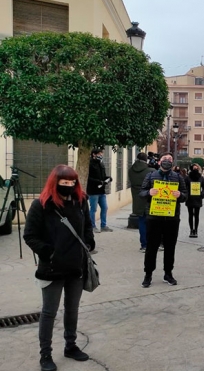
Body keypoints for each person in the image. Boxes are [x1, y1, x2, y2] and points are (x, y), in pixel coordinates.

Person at [24, 165, 95, 371]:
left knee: (72, 310)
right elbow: (30, 236)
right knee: (49, 313)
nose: (69, 186)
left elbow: (88, 226)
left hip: (76, 268)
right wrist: (50, 253)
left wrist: (89, 243)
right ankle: (45, 354)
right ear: (55, 183)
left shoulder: (81, 201)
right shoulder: (41, 205)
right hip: (52, 269)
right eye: (64, 183)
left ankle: (70, 346)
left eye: (72, 183)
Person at [139, 152, 187, 287]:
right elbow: (141, 193)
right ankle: (148, 274)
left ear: (173, 162)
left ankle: (168, 273)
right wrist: (149, 192)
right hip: (154, 217)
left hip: (172, 218)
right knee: (151, 247)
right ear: (159, 162)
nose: (167, 161)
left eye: (170, 159)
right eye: (165, 159)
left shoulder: (178, 177)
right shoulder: (150, 176)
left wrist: (180, 195)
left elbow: (185, 195)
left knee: (170, 247)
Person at [129, 152, 156, 252]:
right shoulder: (151, 171)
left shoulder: (131, 170)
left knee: (142, 222)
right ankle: (151, 243)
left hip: (137, 199)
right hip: (149, 198)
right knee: (151, 223)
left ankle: (143, 245)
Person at [86, 148, 113, 233]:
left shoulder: (101, 164)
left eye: (102, 153)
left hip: (101, 191)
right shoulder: (90, 164)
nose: (101, 155)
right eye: (99, 154)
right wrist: (99, 182)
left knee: (105, 207)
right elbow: (88, 178)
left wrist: (108, 178)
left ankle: (103, 226)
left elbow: (103, 176)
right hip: (93, 191)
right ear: (94, 154)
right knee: (93, 209)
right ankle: (92, 226)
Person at [184, 164, 204, 238]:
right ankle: (191, 230)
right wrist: (187, 194)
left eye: (196, 168)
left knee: (197, 215)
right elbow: (184, 187)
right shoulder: (188, 178)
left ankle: (196, 230)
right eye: (194, 167)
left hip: (198, 198)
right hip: (190, 198)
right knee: (190, 215)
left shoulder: (201, 178)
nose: (195, 169)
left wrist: (202, 194)